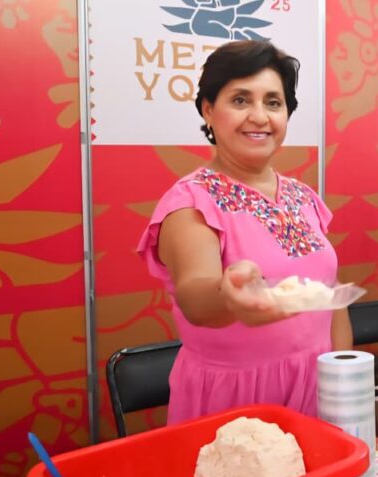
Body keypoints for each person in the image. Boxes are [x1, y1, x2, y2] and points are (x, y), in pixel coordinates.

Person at [137, 40, 351, 423]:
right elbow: (195, 295)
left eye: (273, 102)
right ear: (208, 109)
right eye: (240, 100)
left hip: (318, 390)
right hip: (237, 403)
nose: (259, 116)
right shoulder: (190, 203)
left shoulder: (304, 198)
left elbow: (331, 297)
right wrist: (230, 293)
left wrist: (344, 382)